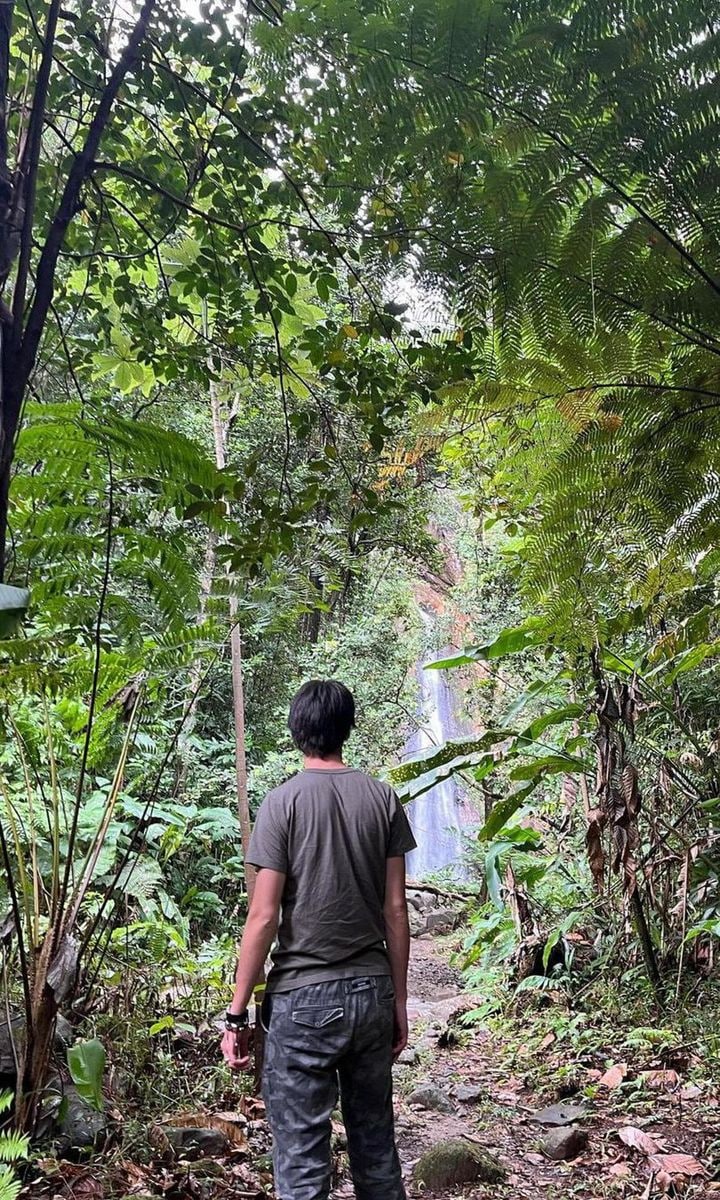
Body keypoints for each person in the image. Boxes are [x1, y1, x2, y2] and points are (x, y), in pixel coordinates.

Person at [221, 678, 416, 1200]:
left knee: (304, 1164)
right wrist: (398, 1000)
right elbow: (395, 910)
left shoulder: (280, 803)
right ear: (347, 730)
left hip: (302, 1000)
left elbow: (263, 918)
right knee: (376, 1148)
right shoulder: (381, 797)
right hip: (372, 992)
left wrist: (236, 1014)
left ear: (296, 731)